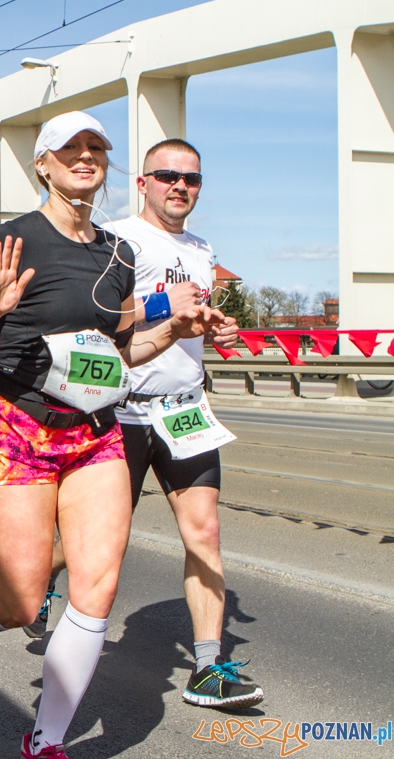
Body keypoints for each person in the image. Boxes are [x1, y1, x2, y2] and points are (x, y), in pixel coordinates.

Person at [0, 111, 226, 758]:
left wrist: (173, 331)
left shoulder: (117, 253)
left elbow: (121, 351)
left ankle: (45, 740)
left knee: (95, 587)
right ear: (42, 164)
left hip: (94, 432)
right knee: (22, 602)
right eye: (69, 147)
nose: (84, 156)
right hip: (15, 428)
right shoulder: (13, 239)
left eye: (95, 147)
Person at [30, 139, 261, 708]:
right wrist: (163, 304)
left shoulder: (202, 249)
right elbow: (98, 319)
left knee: (204, 531)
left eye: (191, 179)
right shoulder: (116, 241)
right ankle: (40, 578)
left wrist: (215, 329)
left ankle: (207, 668)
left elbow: (189, 322)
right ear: (143, 183)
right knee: (99, 538)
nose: (180, 186)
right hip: (124, 410)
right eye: (167, 176)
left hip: (185, 409)